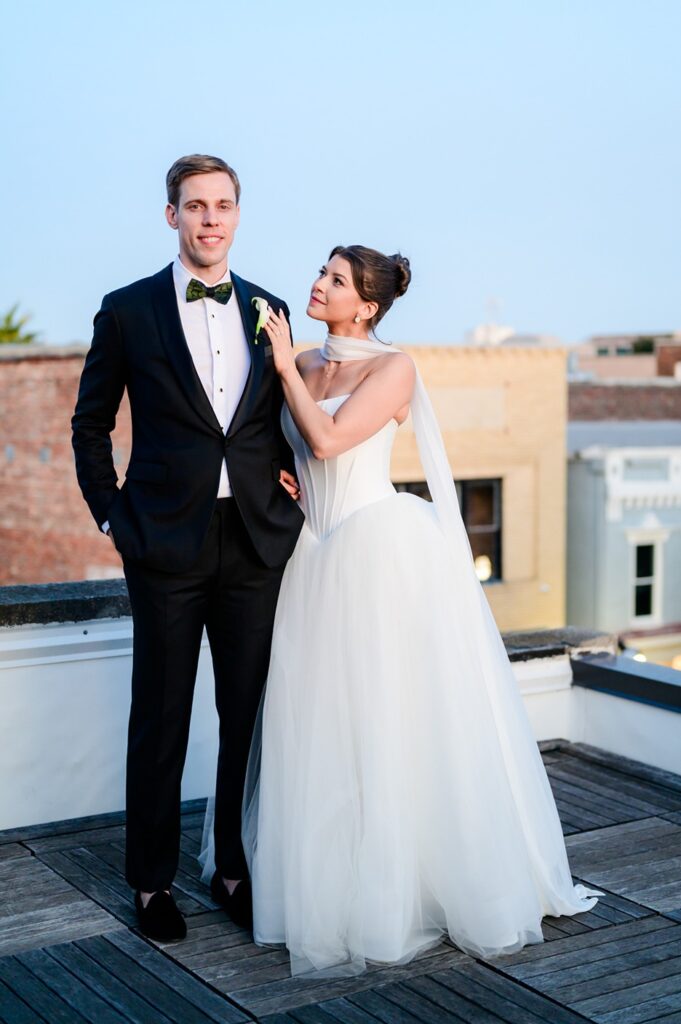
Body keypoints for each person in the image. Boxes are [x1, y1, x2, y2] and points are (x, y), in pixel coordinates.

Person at [201, 243, 600, 976]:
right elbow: (283, 448)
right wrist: (280, 476)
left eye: (336, 281)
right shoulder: (308, 363)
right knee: (314, 728)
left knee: (388, 722)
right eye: (322, 273)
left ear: (369, 305)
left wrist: (284, 365)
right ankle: (322, 882)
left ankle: (401, 889)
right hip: (307, 555)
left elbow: (325, 437)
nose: (318, 285)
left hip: (371, 549)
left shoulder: (393, 368)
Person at [72, 154, 304, 942]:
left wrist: (289, 483)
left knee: (245, 716)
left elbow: (278, 416)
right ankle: (150, 884)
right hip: (163, 545)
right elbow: (90, 424)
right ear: (170, 215)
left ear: (238, 214)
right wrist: (114, 516)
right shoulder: (128, 310)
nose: (210, 218)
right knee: (161, 717)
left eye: (223, 204)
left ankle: (232, 868)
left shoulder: (271, 310)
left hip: (252, 545)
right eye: (195, 205)